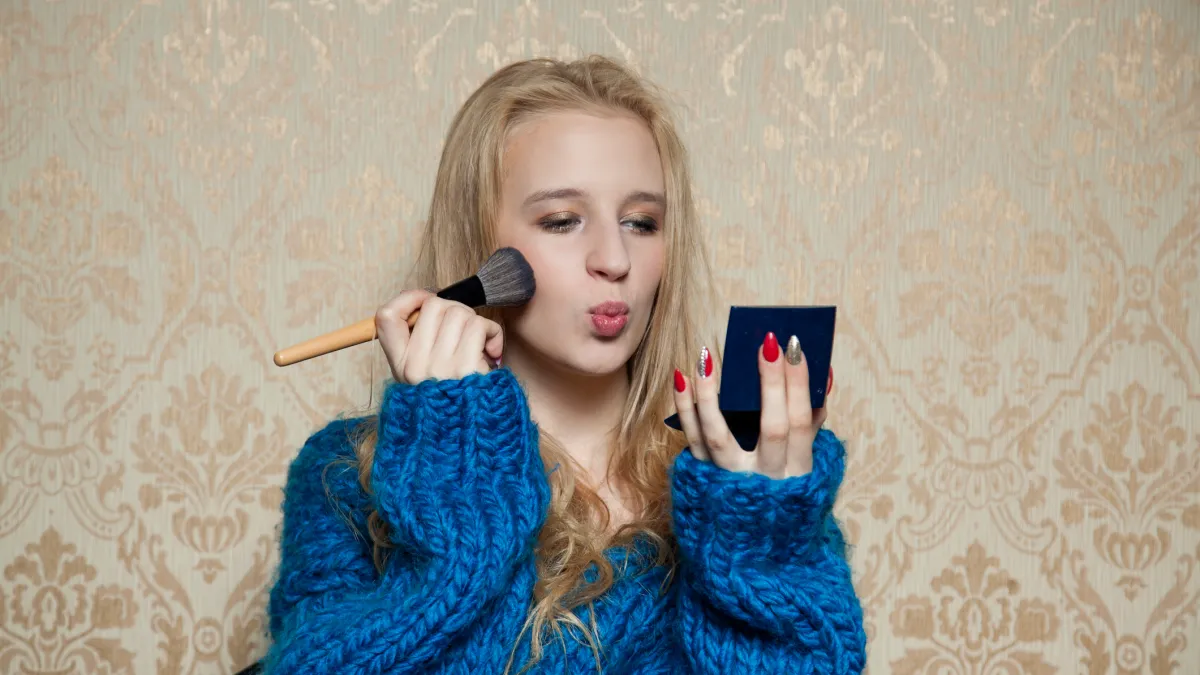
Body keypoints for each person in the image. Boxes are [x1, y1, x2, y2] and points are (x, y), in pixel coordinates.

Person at [263, 55, 866, 674]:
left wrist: (761, 542)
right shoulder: (346, 480)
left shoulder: (741, 478)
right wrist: (457, 476)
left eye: (641, 221)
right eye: (561, 221)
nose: (614, 258)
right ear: (480, 244)